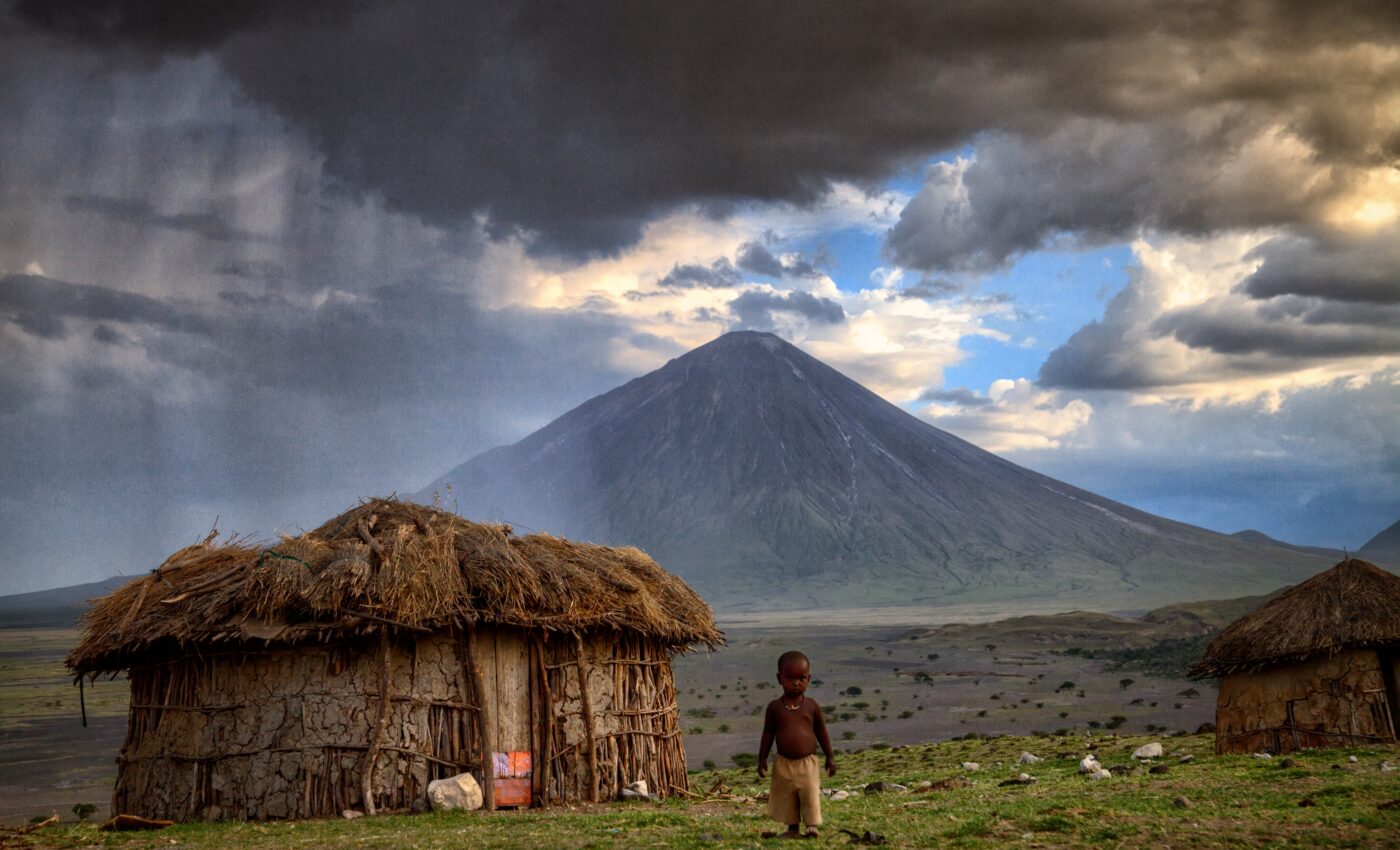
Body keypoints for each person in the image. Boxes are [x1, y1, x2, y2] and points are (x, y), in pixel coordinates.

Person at [757, 650, 836, 839]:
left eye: (801, 678)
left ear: (809, 679)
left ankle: (811, 826)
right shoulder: (774, 707)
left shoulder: (811, 706)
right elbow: (768, 734)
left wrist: (830, 757)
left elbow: (821, 732)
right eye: (790, 678)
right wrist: (762, 758)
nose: (796, 683)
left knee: (810, 794)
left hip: (807, 763)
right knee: (787, 796)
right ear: (779, 678)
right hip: (783, 763)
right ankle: (792, 828)